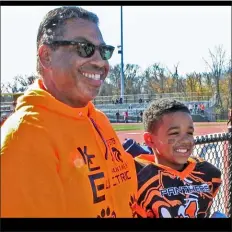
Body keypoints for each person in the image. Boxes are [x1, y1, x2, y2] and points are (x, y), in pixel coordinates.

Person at [1, 6, 138, 218]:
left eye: (104, 51)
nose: (100, 62)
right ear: (46, 56)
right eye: (84, 48)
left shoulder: (97, 120)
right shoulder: (26, 136)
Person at [134, 99, 222, 218]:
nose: (186, 140)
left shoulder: (206, 172)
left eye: (190, 133)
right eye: (175, 133)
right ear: (150, 140)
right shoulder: (138, 178)